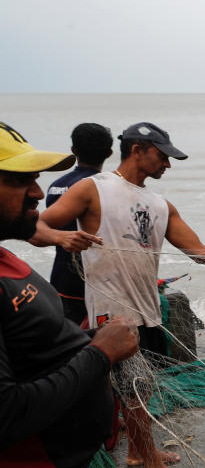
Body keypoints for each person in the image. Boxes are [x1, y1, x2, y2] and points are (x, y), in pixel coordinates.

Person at [36, 122, 205, 468]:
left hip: (145, 308)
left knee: (136, 388)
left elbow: (200, 252)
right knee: (136, 386)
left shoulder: (160, 204)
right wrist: (62, 236)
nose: (168, 166)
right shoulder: (94, 189)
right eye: (163, 156)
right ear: (138, 149)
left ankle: (138, 453)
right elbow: (38, 225)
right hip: (110, 308)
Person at [0, 121, 140, 468]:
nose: (38, 191)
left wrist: (80, 341)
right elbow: (6, 415)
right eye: (20, 181)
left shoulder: (5, 258)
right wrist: (99, 352)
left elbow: (32, 351)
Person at [45, 123, 114, 325]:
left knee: (65, 339)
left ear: (74, 151)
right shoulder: (103, 187)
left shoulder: (56, 185)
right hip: (95, 280)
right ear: (109, 153)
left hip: (61, 278)